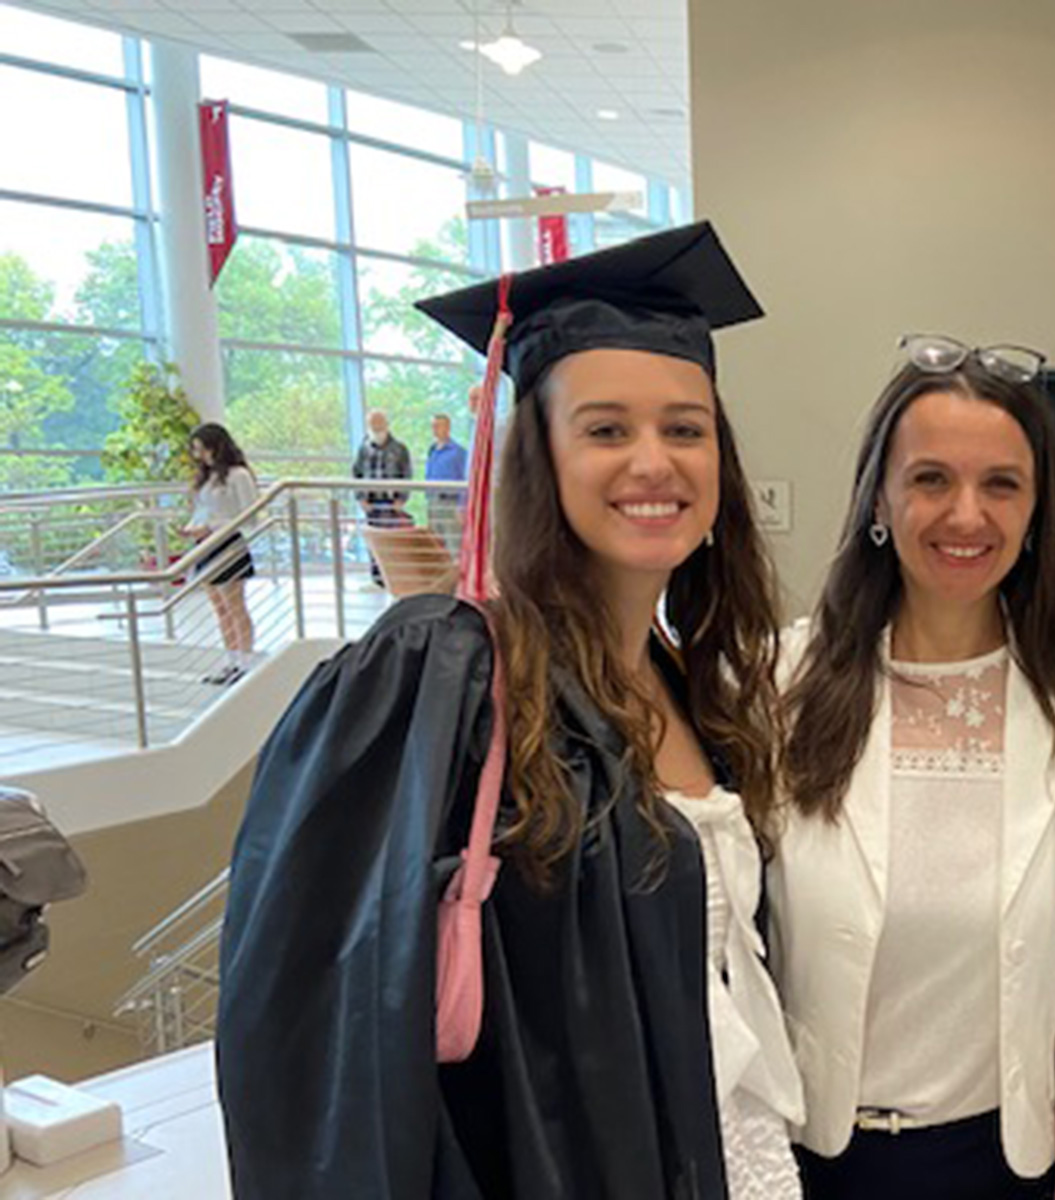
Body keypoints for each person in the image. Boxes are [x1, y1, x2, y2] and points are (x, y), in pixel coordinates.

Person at [219, 222, 797, 1198]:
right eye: (606, 428)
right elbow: (318, 1028)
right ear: (534, 453)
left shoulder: (692, 683)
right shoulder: (442, 675)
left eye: (684, 427)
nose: (653, 461)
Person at [771, 334, 1055, 1199]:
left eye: (1001, 485)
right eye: (930, 480)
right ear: (880, 497)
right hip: (813, 1158)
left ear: (1035, 513)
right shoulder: (776, 684)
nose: (966, 516)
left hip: (1003, 1163)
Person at [183, 422, 259, 686]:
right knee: (220, 609)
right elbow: (204, 509)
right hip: (206, 545)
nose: (197, 455)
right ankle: (232, 661)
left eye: (200, 448)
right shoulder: (207, 478)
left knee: (235, 606)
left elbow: (249, 516)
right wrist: (194, 528)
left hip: (228, 544)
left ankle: (246, 663)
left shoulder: (238, 475)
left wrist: (211, 527)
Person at [354, 408, 413, 585]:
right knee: (373, 541)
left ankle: (392, 576)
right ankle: (377, 578)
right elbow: (356, 473)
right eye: (373, 424)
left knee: (391, 541)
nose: (377, 428)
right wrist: (360, 497)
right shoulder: (363, 448)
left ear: (386, 424)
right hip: (371, 503)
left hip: (391, 502)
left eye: (380, 424)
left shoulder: (400, 449)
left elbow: (407, 473)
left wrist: (401, 499)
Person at [426, 411, 469, 549]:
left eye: (439, 426)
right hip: (433, 502)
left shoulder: (458, 452)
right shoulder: (432, 450)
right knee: (436, 543)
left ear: (448, 427)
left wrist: (461, 506)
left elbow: (465, 479)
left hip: (450, 502)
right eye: (433, 426)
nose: (435, 429)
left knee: (453, 543)